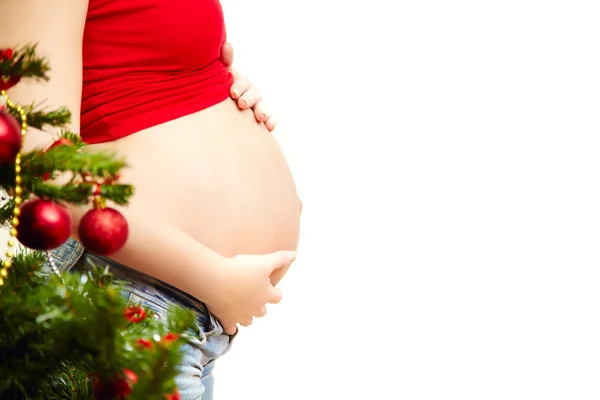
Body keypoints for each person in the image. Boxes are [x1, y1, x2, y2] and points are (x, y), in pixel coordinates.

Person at [1, 1, 302, 399]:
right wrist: (211, 277)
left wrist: (222, 82)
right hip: (124, 298)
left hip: (178, 311)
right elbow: (43, 166)